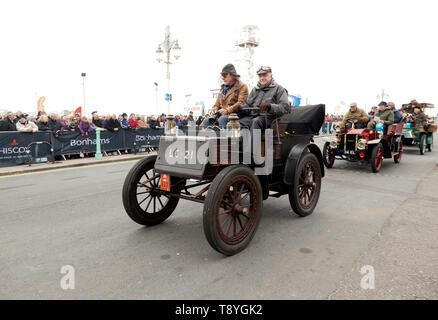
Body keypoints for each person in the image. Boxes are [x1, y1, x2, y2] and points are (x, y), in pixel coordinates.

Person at [238, 66, 290, 131]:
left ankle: (254, 141)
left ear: (270, 76)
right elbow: (248, 104)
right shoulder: (255, 90)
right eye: (260, 76)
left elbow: (285, 107)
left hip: (270, 118)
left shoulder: (279, 89)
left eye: (264, 75)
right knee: (237, 123)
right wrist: (240, 107)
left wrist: (270, 106)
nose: (262, 78)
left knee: (256, 122)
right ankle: (243, 141)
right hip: (253, 116)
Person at [204, 64, 249, 129]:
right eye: (222, 76)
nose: (223, 78)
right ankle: (209, 138)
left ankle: (224, 139)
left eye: (225, 75)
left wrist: (227, 110)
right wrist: (214, 110)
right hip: (222, 115)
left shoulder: (242, 86)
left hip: (236, 115)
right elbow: (216, 104)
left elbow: (241, 103)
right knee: (206, 121)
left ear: (232, 75)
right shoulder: (223, 89)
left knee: (222, 119)